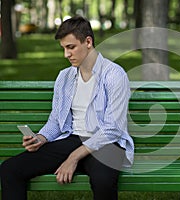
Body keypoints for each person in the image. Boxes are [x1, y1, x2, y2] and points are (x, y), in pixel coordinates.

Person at [0, 16, 134, 200]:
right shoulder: (65, 77)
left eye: (71, 47)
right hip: (72, 139)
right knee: (10, 169)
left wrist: (73, 158)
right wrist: (40, 138)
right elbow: (56, 120)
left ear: (88, 42)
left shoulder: (114, 75)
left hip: (107, 144)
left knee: (102, 180)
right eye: (63, 48)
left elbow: (113, 129)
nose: (66, 54)